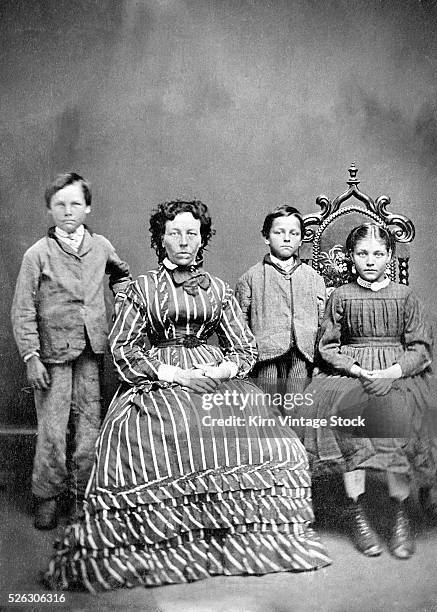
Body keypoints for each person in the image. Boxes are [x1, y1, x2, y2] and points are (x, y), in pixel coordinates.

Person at [44, 199, 330, 592]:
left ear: (202, 241)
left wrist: (218, 371)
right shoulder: (140, 289)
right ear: (160, 240)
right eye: (174, 233)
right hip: (158, 377)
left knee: (269, 438)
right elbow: (124, 348)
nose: (183, 241)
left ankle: (239, 534)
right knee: (154, 434)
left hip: (212, 373)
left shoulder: (219, 289)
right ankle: (166, 538)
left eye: (191, 233)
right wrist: (175, 374)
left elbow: (244, 349)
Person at [298, 223, 437, 560]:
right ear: (351, 257)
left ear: (390, 256)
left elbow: (420, 348)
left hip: (396, 371)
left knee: (399, 418)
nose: (370, 260)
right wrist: (358, 370)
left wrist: (390, 373)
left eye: (378, 253)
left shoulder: (405, 297)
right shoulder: (341, 296)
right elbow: (328, 347)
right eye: (362, 253)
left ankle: (400, 514)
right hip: (351, 372)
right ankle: (357, 513)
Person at [11, 172, 131, 530]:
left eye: (75, 203)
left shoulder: (101, 246)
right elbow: (22, 309)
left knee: (89, 427)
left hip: (91, 353)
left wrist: (122, 296)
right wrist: (31, 357)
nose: (68, 211)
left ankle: (83, 496)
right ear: (49, 209)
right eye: (59, 204)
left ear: (88, 207)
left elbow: (121, 274)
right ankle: (47, 496)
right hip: (51, 357)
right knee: (52, 428)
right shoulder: (38, 254)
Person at [235, 205, 326, 397]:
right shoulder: (251, 277)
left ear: (301, 239)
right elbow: (239, 326)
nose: (287, 238)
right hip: (265, 356)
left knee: (297, 403)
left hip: (303, 356)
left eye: (294, 233)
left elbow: (322, 321)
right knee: (267, 404)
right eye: (279, 232)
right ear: (266, 237)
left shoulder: (313, 278)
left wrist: (319, 361)